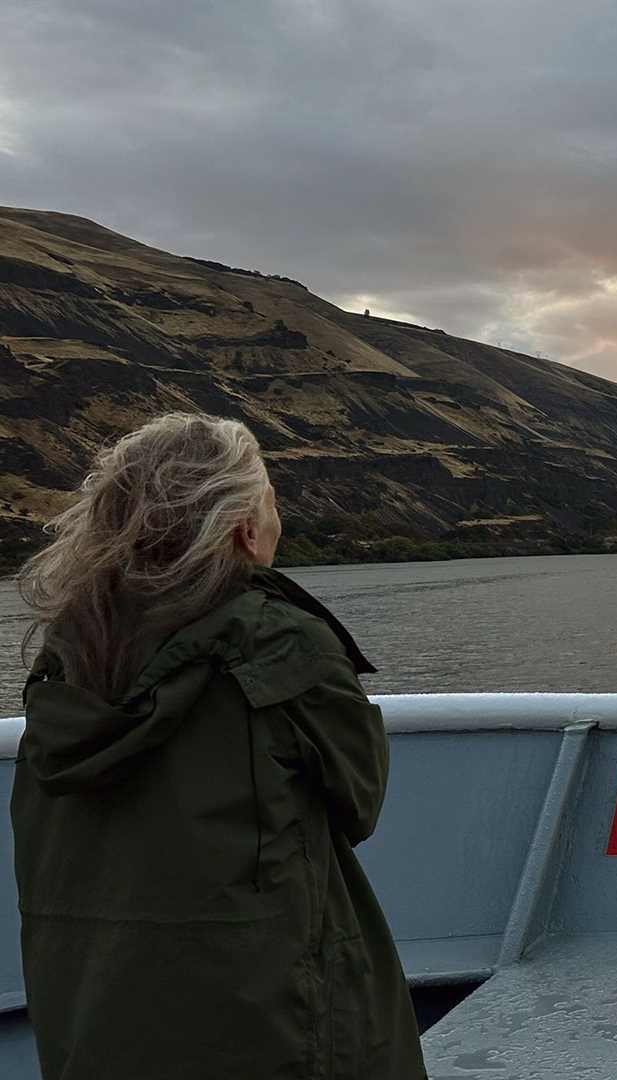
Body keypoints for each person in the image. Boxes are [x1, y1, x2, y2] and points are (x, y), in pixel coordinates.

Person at [11, 413, 425, 1079]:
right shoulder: (285, 645)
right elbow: (359, 802)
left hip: (98, 1028)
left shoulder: (65, 658)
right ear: (244, 527)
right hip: (272, 1027)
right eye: (270, 500)